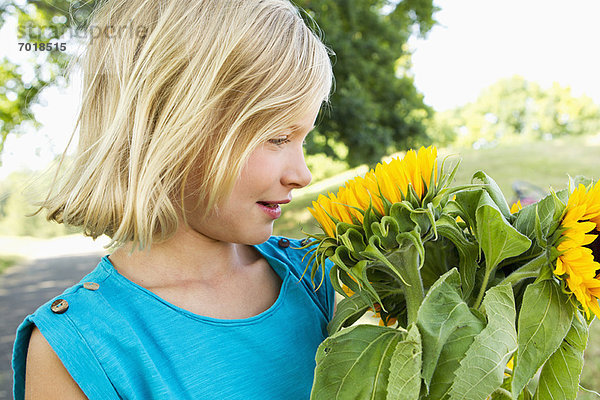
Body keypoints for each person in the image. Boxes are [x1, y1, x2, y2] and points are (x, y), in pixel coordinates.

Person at [12, 0, 335, 398]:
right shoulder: (78, 349)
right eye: (277, 138)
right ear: (173, 125)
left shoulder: (319, 277)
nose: (301, 175)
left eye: (303, 138)